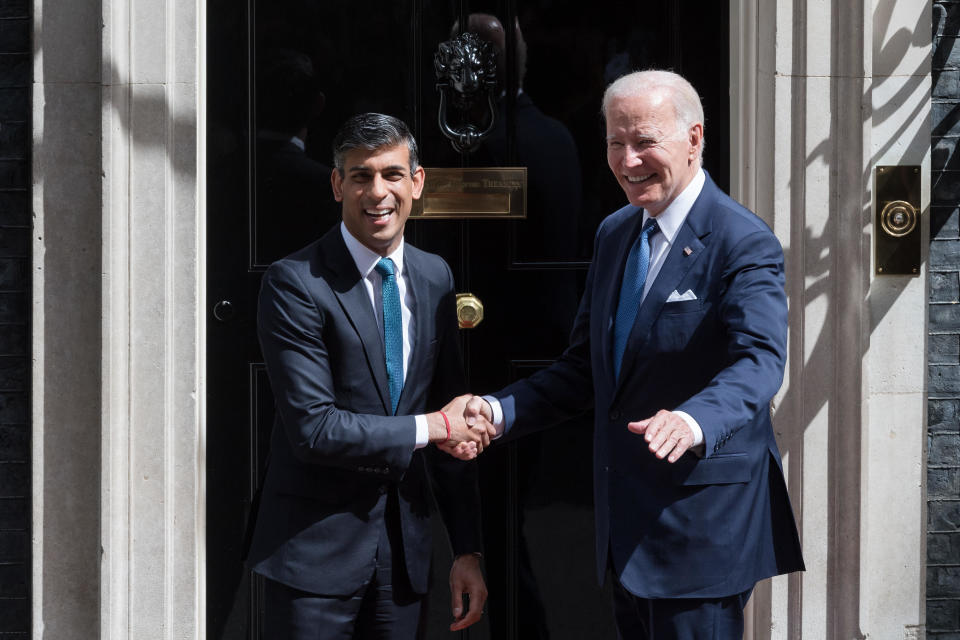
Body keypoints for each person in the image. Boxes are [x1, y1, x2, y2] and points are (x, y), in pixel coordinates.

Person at [465, 70, 805, 637]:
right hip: (625, 529)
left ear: (694, 139)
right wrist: (499, 412)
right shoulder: (616, 233)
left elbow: (760, 361)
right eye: (615, 144)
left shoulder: (742, 240)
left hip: (700, 526)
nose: (627, 161)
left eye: (644, 141)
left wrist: (694, 419)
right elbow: (584, 369)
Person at [247, 112, 494, 639]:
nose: (377, 191)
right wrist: (435, 427)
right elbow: (315, 428)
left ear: (417, 182)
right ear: (338, 185)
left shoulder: (434, 277)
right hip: (314, 554)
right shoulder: (295, 283)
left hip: (404, 556)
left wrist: (466, 549)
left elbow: (453, 422)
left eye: (392, 174)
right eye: (360, 176)